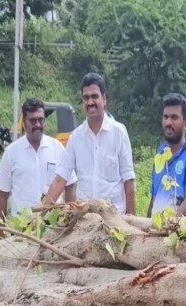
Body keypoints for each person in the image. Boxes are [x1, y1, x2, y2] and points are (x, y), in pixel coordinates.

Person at [45, 73, 136, 214]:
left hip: (115, 220)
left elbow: (129, 182)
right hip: (85, 220)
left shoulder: (119, 133)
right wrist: (40, 215)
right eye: (86, 98)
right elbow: (60, 179)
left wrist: (131, 222)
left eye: (94, 96)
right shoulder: (76, 137)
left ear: (104, 99)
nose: (90, 102)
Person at [0, 98, 77, 238]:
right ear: (24, 123)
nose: (38, 125)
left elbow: (70, 185)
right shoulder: (11, 152)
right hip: (22, 228)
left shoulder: (57, 148)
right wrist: (0, 234)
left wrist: (69, 221)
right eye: (32, 121)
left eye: (41, 120)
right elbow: (2, 196)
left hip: (54, 227)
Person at [147, 93, 186, 217]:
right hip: (156, 232)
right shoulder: (159, 157)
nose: (168, 122)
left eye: (174, 117)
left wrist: (168, 229)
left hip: (178, 233)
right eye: (165, 117)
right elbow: (154, 199)